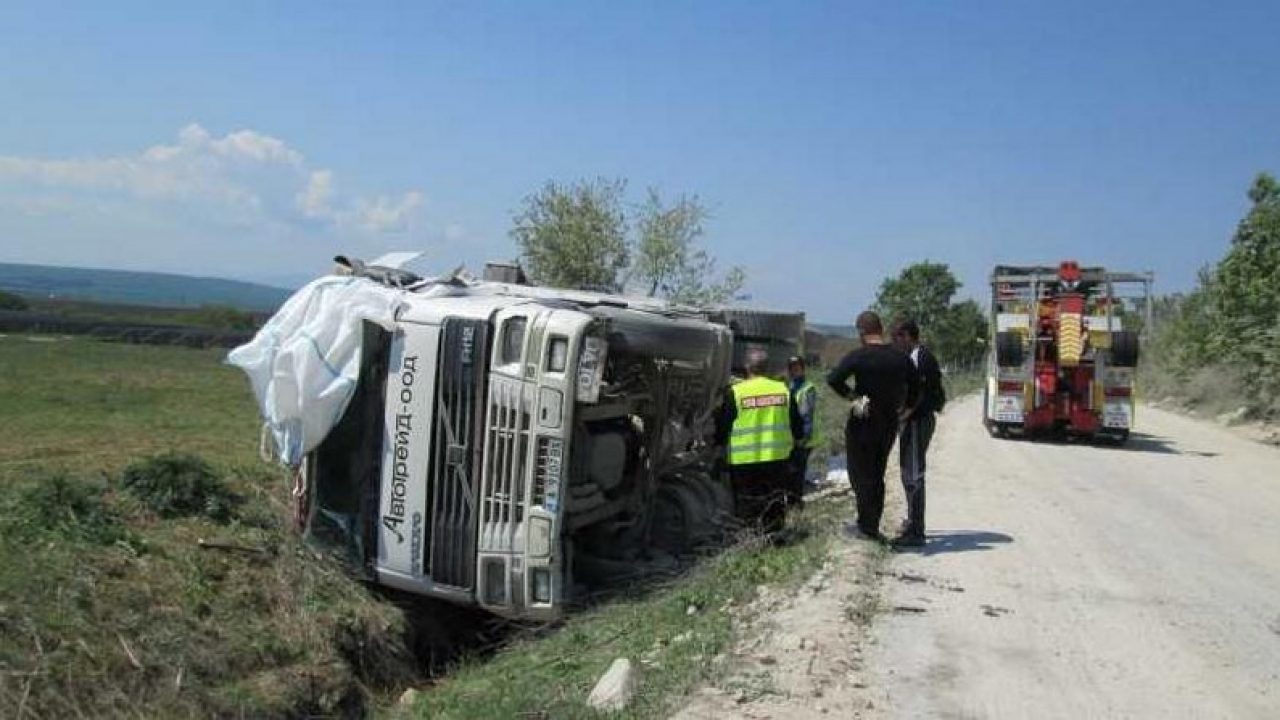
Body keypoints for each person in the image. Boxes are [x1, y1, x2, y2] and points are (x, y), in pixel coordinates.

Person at [826, 311, 919, 542]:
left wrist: (855, 398)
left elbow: (834, 379)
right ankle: (871, 524)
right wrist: (905, 409)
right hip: (888, 423)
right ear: (881, 329)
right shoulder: (900, 357)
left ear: (861, 332)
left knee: (860, 473)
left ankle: (866, 526)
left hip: (863, 421)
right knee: (877, 473)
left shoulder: (859, 356)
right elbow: (916, 386)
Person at [716, 353, 804, 536]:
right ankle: (774, 537)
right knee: (775, 501)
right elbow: (797, 425)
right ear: (767, 369)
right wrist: (797, 443)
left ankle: (750, 539)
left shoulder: (736, 392)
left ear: (747, 368)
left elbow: (723, 426)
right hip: (777, 457)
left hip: (744, 459)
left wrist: (719, 446)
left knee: (747, 502)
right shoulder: (782, 390)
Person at [892, 319, 945, 547]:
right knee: (908, 472)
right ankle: (912, 521)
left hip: (917, 421)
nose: (896, 343)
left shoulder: (919, 359)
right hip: (916, 420)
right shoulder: (917, 356)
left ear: (906, 336)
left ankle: (916, 531)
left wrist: (904, 415)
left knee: (913, 475)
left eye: (897, 338)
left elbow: (919, 393)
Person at [787, 356, 821, 505]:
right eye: (792, 368)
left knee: (797, 471)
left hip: (805, 437)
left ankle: (796, 502)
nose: (794, 371)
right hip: (794, 436)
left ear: (803, 369)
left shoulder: (807, 388)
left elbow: (807, 415)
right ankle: (793, 499)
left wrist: (803, 438)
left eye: (797, 368)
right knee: (793, 470)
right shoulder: (791, 386)